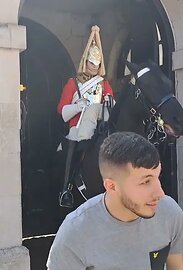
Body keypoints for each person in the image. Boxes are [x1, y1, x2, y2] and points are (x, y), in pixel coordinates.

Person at [47, 132, 183, 270]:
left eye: (157, 177)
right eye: (146, 181)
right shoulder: (76, 231)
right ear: (112, 186)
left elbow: (176, 267)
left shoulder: (169, 212)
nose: (160, 193)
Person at [57, 25, 114, 207]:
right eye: (91, 64)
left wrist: (110, 101)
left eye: (97, 65)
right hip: (78, 126)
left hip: (100, 124)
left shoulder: (104, 84)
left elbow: (112, 105)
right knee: (74, 138)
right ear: (85, 62)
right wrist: (77, 107)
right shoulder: (73, 83)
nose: (93, 68)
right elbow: (61, 110)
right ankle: (66, 189)